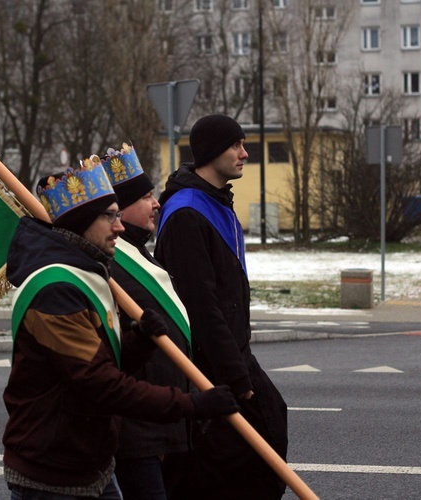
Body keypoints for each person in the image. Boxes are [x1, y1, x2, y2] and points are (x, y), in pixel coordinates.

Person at [2, 158, 239, 499]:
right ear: (82, 222)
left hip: (88, 465)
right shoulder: (56, 289)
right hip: (53, 475)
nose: (119, 227)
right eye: (109, 216)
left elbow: (94, 364)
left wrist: (137, 343)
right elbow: (100, 384)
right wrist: (192, 404)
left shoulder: (83, 273)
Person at [155, 114, 289, 499]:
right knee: (230, 465)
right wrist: (236, 376)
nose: (245, 153)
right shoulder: (186, 212)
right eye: (236, 146)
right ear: (213, 152)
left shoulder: (215, 203)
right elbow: (202, 305)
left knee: (270, 425)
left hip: (234, 354)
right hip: (212, 364)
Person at [100, 143, 195, 500]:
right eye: (146, 196)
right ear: (120, 209)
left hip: (159, 421)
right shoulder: (112, 264)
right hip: (136, 427)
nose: (156, 203)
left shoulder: (137, 252)